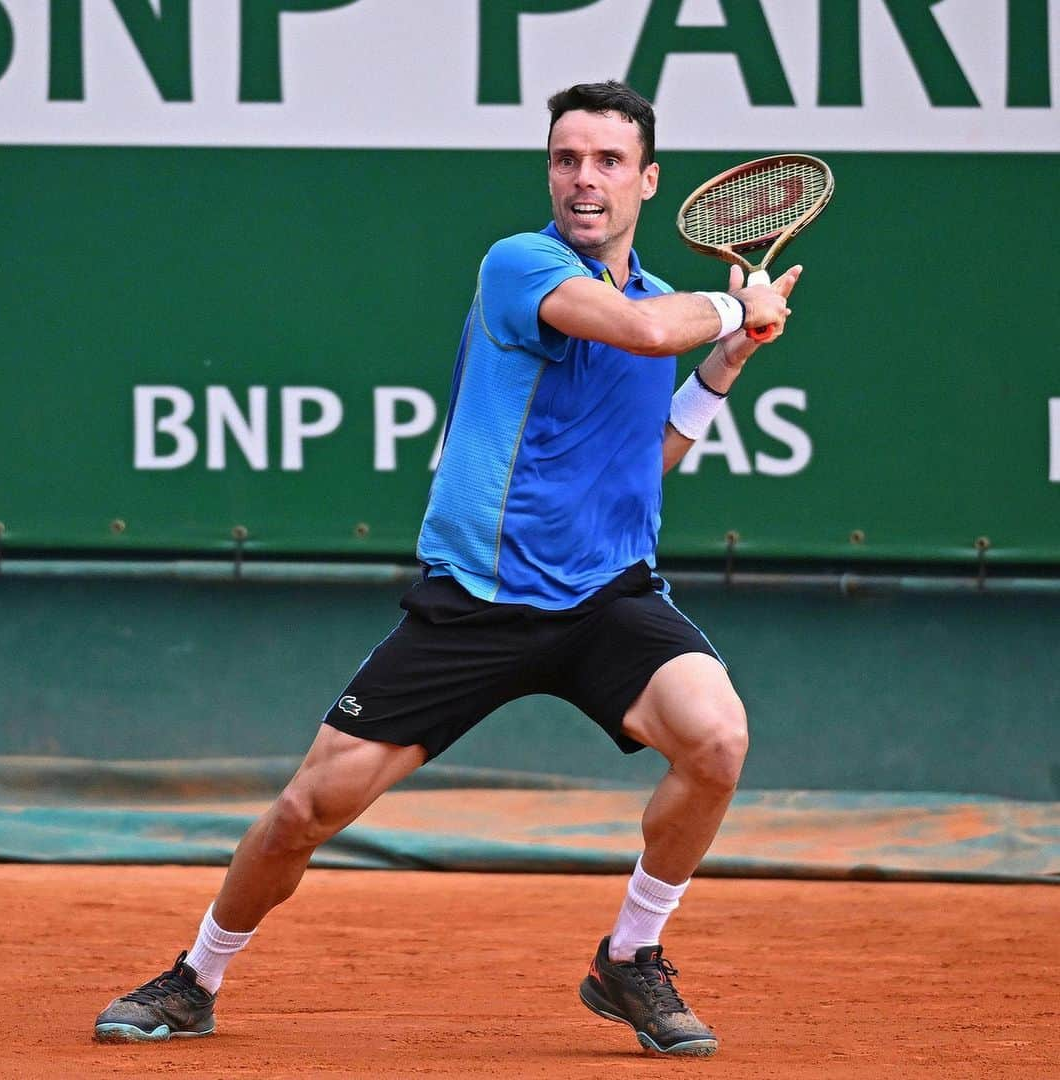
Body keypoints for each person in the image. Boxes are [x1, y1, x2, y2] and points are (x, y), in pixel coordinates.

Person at [95, 80, 800, 1057]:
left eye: (605, 160)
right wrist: (738, 299)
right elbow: (641, 331)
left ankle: (629, 957)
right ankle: (197, 977)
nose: (583, 179)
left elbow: (652, 452)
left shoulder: (660, 309)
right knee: (306, 811)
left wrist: (725, 360)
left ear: (648, 178)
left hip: (608, 600)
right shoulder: (525, 266)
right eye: (565, 158)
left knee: (718, 741)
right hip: (475, 603)